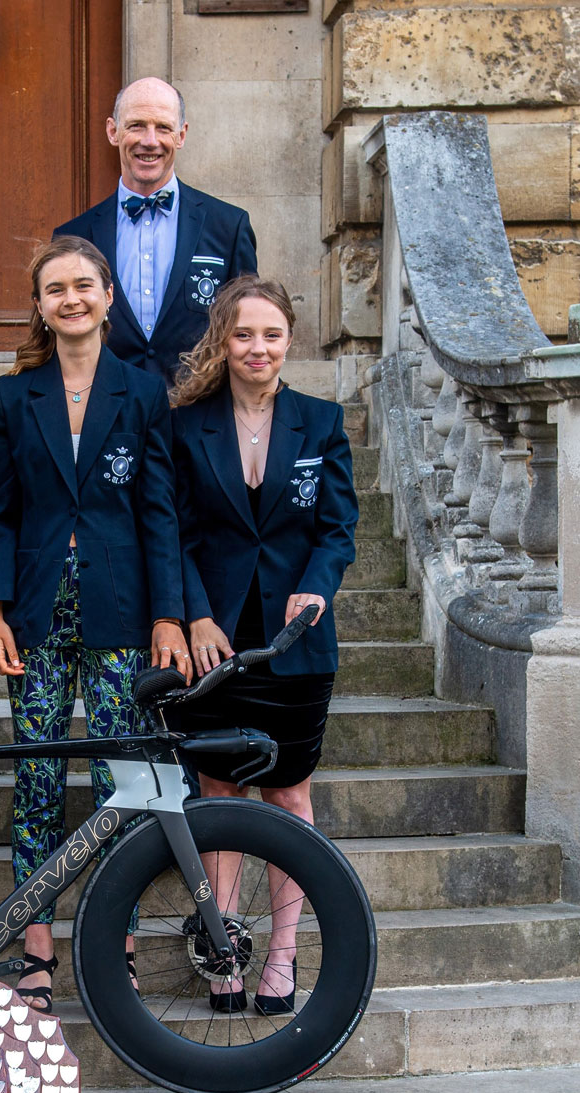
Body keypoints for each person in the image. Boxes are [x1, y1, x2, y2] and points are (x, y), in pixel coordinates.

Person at [0, 235, 190, 1013]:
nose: (70, 299)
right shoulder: (13, 398)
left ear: (108, 295)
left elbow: (158, 509)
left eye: (83, 286)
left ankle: (115, 945)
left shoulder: (142, 393)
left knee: (120, 782)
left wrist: (168, 613)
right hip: (36, 611)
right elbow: (1, 512)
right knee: (37, 779)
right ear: (39, 305)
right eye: (54, 289)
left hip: (121, 609)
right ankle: (34, 948)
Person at [166, 274, 358, 1014]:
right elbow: (174, 532)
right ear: (224, 339)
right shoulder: (188, 427)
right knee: (218, 791)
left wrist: (317, 585)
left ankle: (282, 953)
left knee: (287, 793)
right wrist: (197, 615)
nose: (257, 348)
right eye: (244, 334)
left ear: (289, 341)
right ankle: (224, 951)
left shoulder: (322, 420)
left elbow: (337, 529)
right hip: (215, 641)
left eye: (271, 335)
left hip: (296, 640)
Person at [53, 77, 258, 386]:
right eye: (136, 125)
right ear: (113, 131)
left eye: (163, 127)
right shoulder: (74, 237)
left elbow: (250, 327)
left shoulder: (229, 226)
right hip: (107, 416)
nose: (150, 141)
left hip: (199, 418)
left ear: (181, 135)